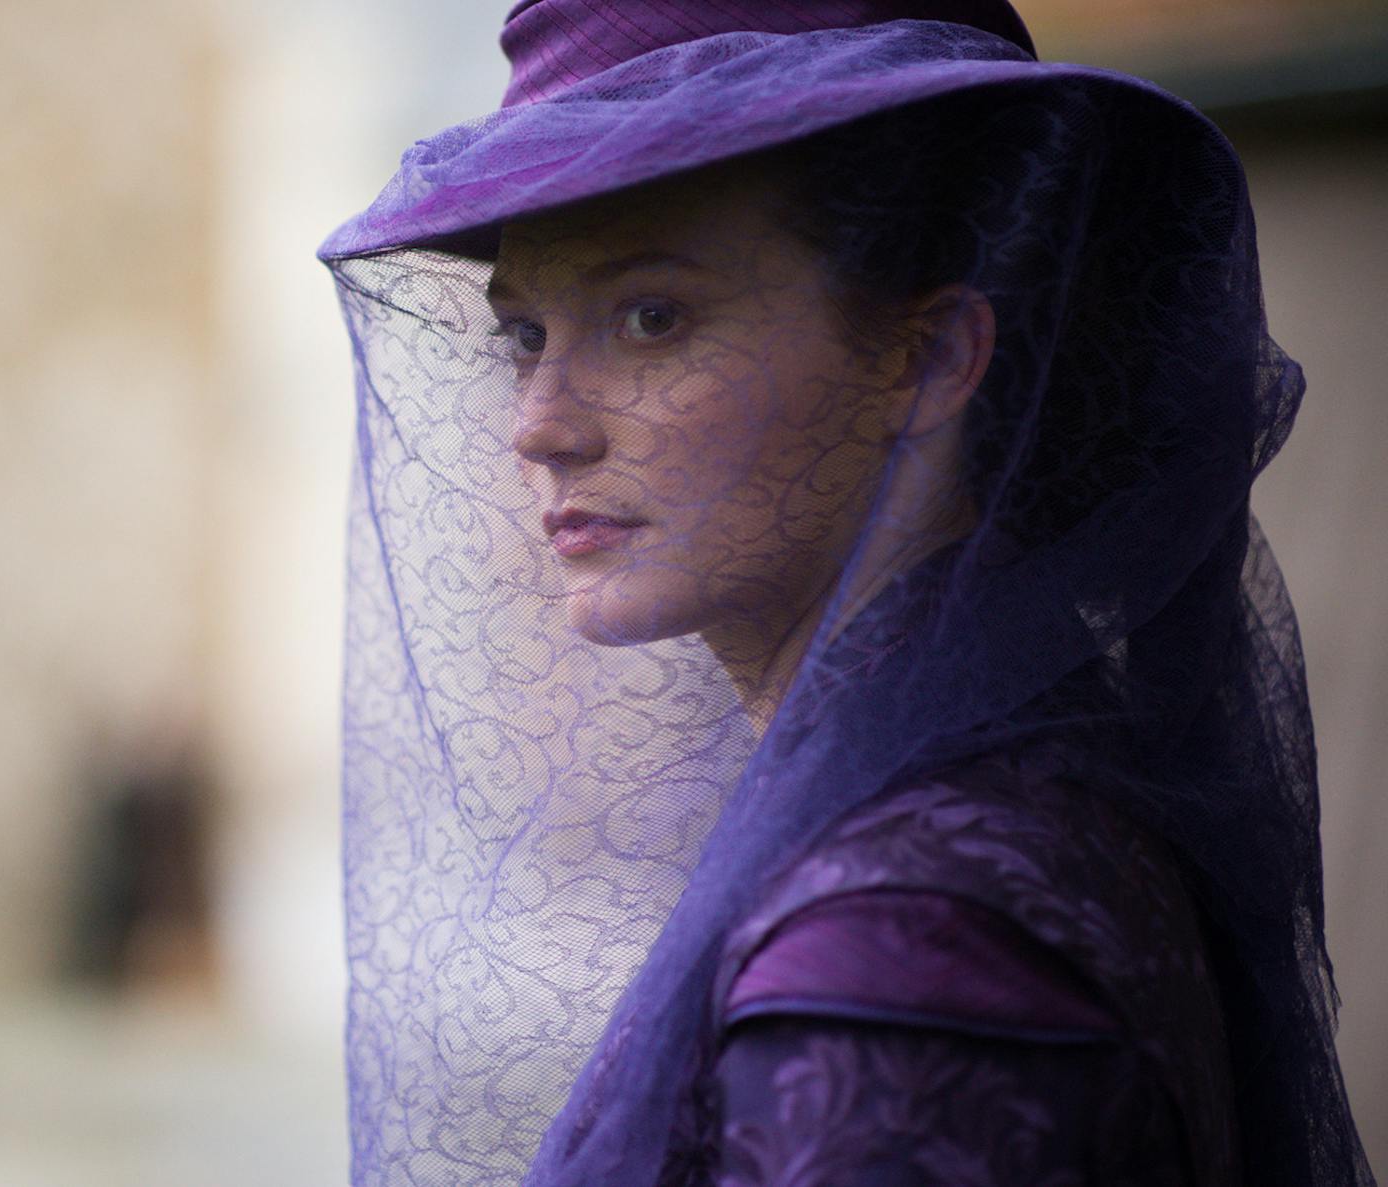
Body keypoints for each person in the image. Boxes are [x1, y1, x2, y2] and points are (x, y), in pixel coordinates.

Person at [318, 3, 1374, 1186]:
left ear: (929, 358)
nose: (542, 424)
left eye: (652, 316)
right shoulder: (974, 794)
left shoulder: (901, 950)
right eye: (525, 333)